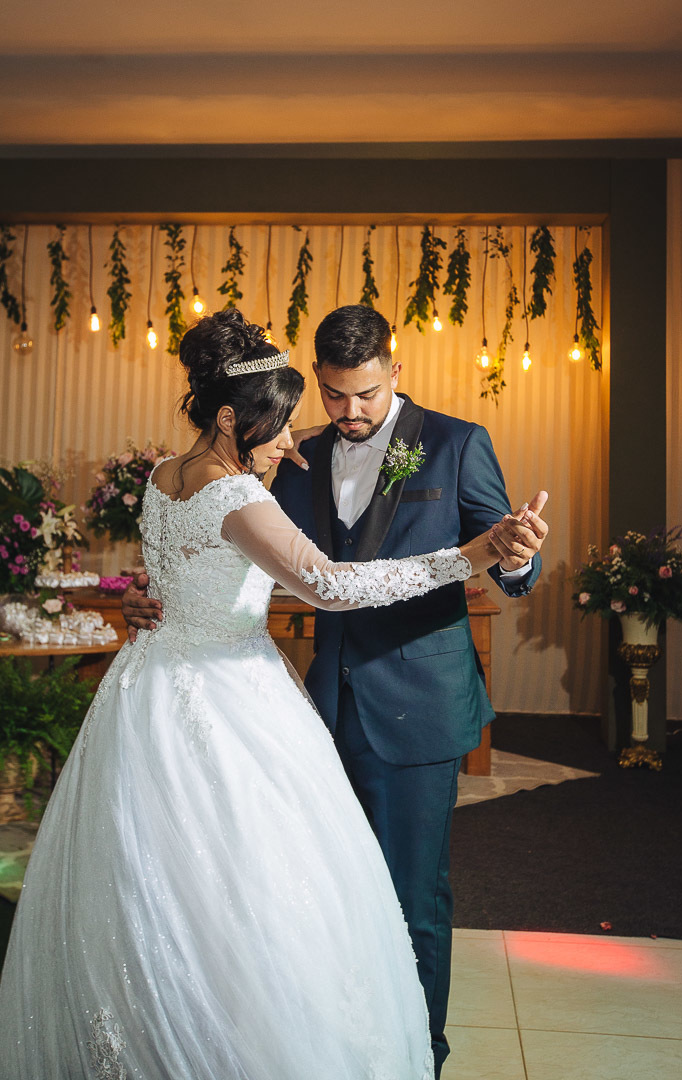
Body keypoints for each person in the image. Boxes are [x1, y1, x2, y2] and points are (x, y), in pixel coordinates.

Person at [0, 309, 528, 1080]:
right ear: (231, 416)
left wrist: (158, 599)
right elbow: (331, 586)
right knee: (257, 897)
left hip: (179, 696)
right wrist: (466, 556)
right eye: (282, 422)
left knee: (179, 889)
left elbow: (188, 566)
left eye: (356, 399)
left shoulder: (162, 477)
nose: (298, 438)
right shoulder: (240, 488)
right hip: (239, 706)